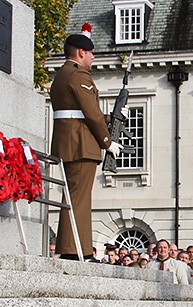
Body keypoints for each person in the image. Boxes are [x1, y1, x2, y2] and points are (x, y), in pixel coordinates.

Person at [50, 24, 124, 259]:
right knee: (80, 199)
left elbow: (77, 112)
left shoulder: (62, 75)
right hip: (81, 144)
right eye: (91, 53)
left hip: (69, 142)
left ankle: (75, 249)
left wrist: (109, 118)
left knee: (74, 197)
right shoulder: (79, 74)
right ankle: (74, 251)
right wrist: (107, 141)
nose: (92, 57)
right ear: (81, 52)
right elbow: (90, 113)